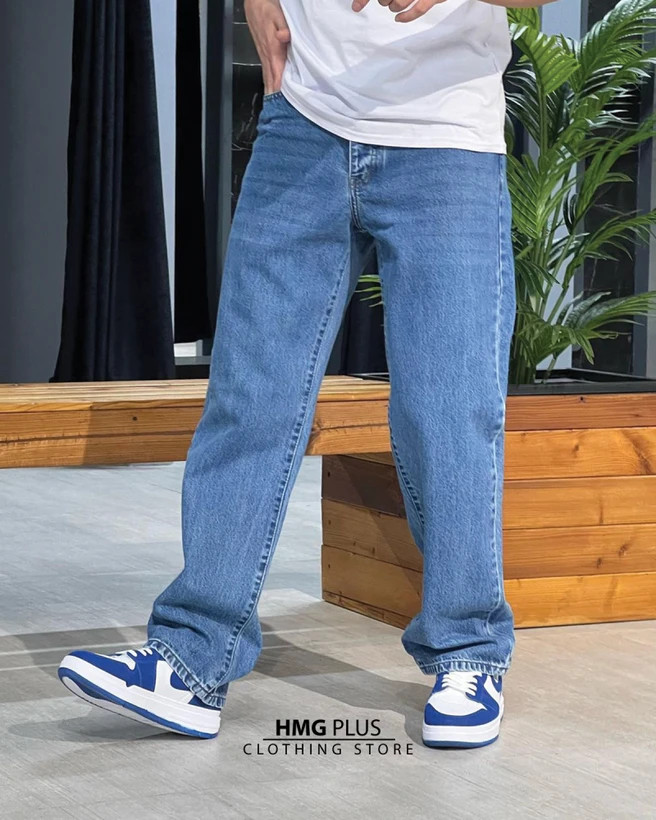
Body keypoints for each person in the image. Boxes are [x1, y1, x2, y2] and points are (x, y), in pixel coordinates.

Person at [59, 0, 556, 749]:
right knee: (249, 399)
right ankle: (191, 662)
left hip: (446, 139)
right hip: (302, 123)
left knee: (447, 412)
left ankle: (468, 653)